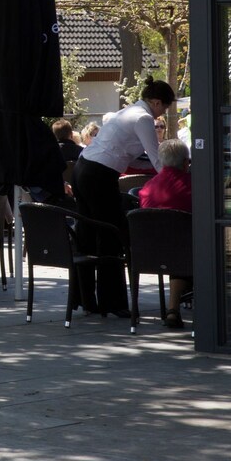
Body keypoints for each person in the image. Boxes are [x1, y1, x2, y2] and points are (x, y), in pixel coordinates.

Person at [73, 77, 176, 317]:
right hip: (100, 174)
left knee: (86, 234)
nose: (163, 114)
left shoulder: (128, 111)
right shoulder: (143, 118)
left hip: (83, 169)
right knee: (111, 235)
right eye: (165, 107)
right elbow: (156, 158)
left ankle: (85, 298)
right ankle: (114, 302)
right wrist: (177, 177)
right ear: (157, 102)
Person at [137, 138, 193, 329]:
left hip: (149, 252)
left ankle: (173, 308)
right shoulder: (195, 186)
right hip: (184, 252)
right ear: (186, 162)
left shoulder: (147, 188)